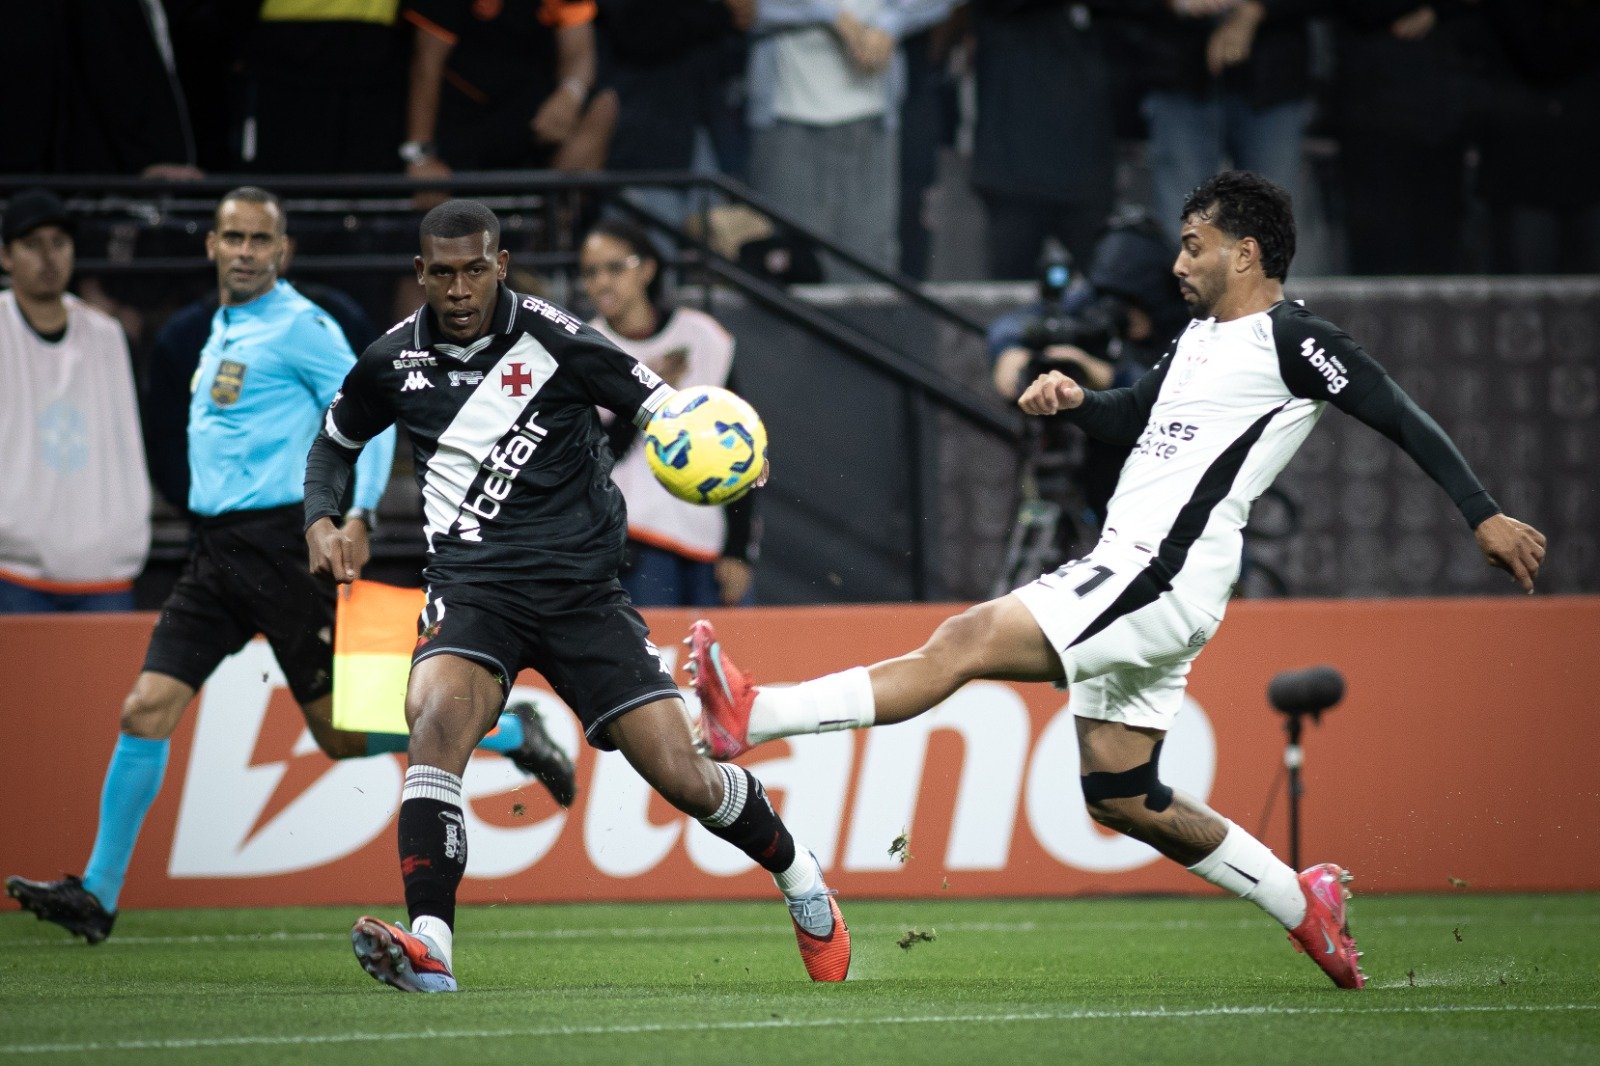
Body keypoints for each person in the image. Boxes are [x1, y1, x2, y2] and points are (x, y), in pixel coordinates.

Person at [686, 171, 1547, 990]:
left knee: (966, 641)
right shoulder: (1198, 340)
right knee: (1123, 794)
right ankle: (1300, 899)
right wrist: (1073, 402)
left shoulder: (1298, 339)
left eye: (1193, 245)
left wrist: (1483, 512)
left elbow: (1395, 408)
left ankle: (752, 716)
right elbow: (1135, 415)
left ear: (1246, 253)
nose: (1177, 263)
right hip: (1145, 572)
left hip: (1159, 572)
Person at [4, 188, 575, 946]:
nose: (243, 251)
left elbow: (369, 417)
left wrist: (356, 514)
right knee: (144, 707)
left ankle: (507, 732)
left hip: (282, 548)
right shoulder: (221, 329)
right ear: (211, 245)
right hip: (215, 554)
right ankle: (98, 895)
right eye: (232, 237)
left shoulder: (302, 327)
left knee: (336, 734)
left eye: (258, 240)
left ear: (282, 252)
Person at [303, 199, 848, 993]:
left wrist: (733, 457)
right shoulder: (390, 363)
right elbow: (334, 442)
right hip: (473, 588)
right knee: (436, 716)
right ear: (421, 274)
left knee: (682, 775)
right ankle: (431, 947)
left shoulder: (559, 340)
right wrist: (323, 517)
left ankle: (803, 881)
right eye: (443, 274)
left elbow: (669, 410)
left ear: (501, 264)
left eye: (475, 271)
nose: (459, 290)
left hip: (582, 594)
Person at [579, 220, 759, 607]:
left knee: (729, 664)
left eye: (615, 267)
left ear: (647, 269)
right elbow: (594, 461)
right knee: (654, 665)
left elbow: (741, 443)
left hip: (710, 539)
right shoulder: (584, 350)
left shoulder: (702, 338)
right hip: (636, 542)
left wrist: (739, 549)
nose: (602, 283)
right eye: (591, 272)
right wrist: (648, 395)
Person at [0, 189, 150, 613]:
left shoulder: (105, 333)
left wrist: (123, 536)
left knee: (106, 682)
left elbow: (125, 444)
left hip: (103, 570)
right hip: (12, 568)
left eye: (60, 243)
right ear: (5, 256)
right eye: (31, 245)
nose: (49, 258)